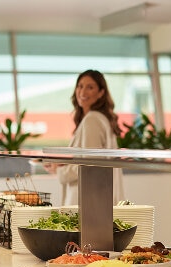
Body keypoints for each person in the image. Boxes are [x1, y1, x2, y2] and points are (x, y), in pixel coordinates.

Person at [45, 69, 124, 205]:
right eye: (80, 86)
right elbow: (93, 159)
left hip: (88, 202)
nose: (82, 92)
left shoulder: (92, 120)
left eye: (90, 87)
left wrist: (59, 170)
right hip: (99, 199)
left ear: (101, 93)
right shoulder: (101, 119)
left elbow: (89, 165)